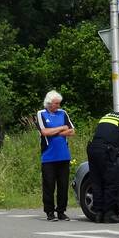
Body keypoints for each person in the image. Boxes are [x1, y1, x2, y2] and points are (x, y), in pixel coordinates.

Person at [86, 107, 119, 223]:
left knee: (97, 182)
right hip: (106, 151)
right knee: (111, 182)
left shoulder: (106, 116)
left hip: (93, 150)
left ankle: (98, 214)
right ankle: (109, 214)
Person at [37, 90, 75, 221]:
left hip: (63, 155)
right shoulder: (41, 114)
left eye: (59, 103)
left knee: (63, 186)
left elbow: (71, 131)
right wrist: (61, 128)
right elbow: (44, 132)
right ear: (49, 103)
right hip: (48, 156)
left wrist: (57, 131)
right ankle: (49, 211)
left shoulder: (63, 113)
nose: (58, 106)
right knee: (49, 185)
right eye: (56, 103)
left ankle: (61, 211)